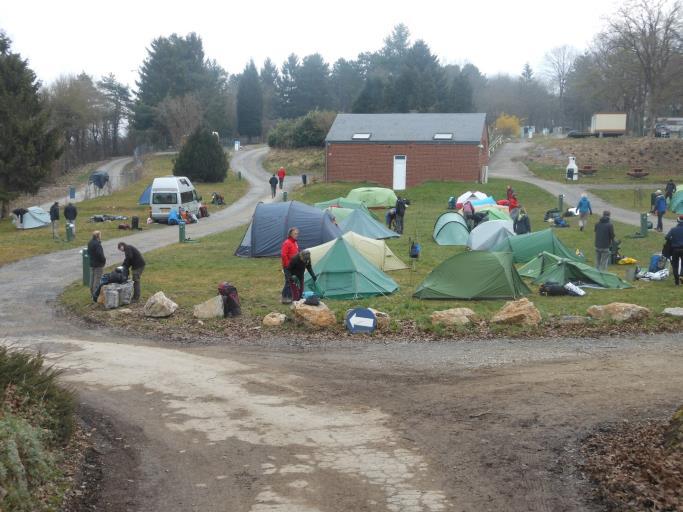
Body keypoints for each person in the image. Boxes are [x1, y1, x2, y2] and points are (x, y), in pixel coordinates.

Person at [280, 227, 299, 304]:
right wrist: (288, 264)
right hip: (288, 266)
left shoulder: (294, 242)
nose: (297, 235)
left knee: (292, 281)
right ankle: (284, 298)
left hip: (294, 265)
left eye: (297, 233)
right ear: (291, 234)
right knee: (289, 281)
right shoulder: (287, 242)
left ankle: (290, 296)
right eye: (295, 233)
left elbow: (296, 252)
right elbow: (283, 255)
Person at [665, 214, 683, 286]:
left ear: (678, 221)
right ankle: (682, 275)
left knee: (675, 265)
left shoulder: (673, 229)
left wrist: (673, 240)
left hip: (675, 250)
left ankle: (676, 282)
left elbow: (667, 237)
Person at [87, 230, 106, 296]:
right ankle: (95, 295)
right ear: (98, 236)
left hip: (92, 263)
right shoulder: (97, 244)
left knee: (92, 279)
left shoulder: (90, 243)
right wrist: (104, 261)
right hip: (98, 264)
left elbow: (88, 252)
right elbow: (100, 255)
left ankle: (92, 293)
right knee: (97, 280)